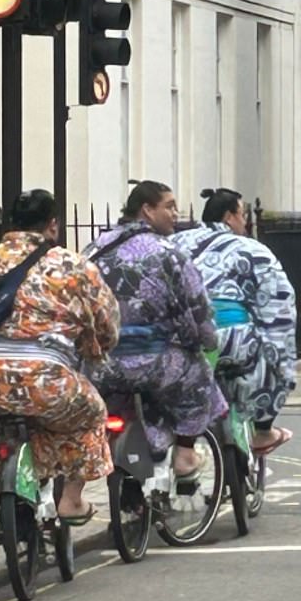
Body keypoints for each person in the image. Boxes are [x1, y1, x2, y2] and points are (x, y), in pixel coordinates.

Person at [0, 189, 119, 575]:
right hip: (48, 379)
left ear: (10, 224)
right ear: (52, 224)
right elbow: (105, 323)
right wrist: (95, 348)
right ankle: (71, 500)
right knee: (92, 413)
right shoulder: (71, 265)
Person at [84, 180, 227, 480]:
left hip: (100, 365)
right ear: (147, 210)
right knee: (198, 378)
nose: (175, 213)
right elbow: (196, 305)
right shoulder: (167, 252)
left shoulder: (93, 249)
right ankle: (185, 455)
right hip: (155, 363)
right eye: (169, 206)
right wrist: (205, 340)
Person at [173, 188, 297, 455]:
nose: (245, 223)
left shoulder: (175, 243)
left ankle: (182, 446)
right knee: (269, 361)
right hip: (231, 338)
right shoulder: (252, 248)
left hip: (181, 340)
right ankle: (263, 431)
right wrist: (277, 348)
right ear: (229, 216)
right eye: (243, 215)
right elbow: (278, 301)